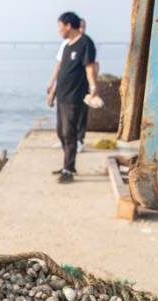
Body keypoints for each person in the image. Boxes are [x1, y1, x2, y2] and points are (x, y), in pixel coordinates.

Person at [47, 12, 99, 183]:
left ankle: (68, 170)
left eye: (59, 26)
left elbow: (89, 66)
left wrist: (93, 86)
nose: (58, 30)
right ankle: (67, 165)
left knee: (69, 134)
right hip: (62, 95)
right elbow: (62, 71)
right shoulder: (67, 45)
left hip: (75, 96)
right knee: (61, 133)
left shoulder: (85, 43)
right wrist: (53, 92)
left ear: (68, 25)